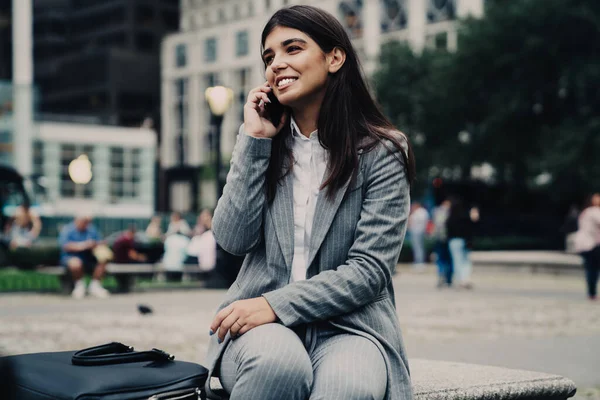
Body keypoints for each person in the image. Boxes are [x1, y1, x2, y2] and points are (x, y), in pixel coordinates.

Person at [204, 6, 416, 400]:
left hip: (351, 328)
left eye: (292, 49)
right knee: (277, 367)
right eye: (269, 57)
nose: (276, 65)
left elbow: (369, 271)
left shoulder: (383, 151)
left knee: (347, 386)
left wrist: (275, 303)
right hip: (260, 331)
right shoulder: (263, 145)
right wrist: (254, 142)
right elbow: (233, 239)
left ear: (335, 58)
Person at [58, 214, 110, 299]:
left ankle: (95, 285)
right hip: (71, 257)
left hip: (89, 257)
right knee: (75, 263)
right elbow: (66, 246)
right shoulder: (68, 230)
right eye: (85, 221)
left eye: (88, 222)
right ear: (77, 220)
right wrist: (84, 245)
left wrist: (97, 244)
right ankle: (79, 285)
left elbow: (99, 241)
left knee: (104, 258)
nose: (87, 224)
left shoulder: (91, 229)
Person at [446, 198, 477, 290]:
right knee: (466, 261)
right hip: (465, 241)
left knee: (457, 261)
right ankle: (466, 279)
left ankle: (460, 280)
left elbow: (447, 231)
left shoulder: (450, 218)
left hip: (454, 241)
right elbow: (470, 230)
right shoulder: (465, 217)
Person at [574, 193, 600, 301]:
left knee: (591, 268)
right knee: (593, 269)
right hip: (591, 244)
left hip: (584, 244)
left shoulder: (585, 212)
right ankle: (592, 293)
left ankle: (591, 293)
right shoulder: (593, 211)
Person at [432, 199, 453, 287]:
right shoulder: (451, 212)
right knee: (448, 259)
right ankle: (448, 279)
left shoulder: (437, 211)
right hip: (447, 238)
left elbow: (436, 225)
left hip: (439, 238)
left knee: (441, 259)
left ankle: (441, 275)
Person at [408, 202, 430, 271]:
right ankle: (418, 261)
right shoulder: (421, 212)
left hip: (418, 231)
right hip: (417, 231)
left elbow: (413, 221)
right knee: (418, 247)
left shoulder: (420, 212)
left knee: (418, 247)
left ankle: (419, 262)